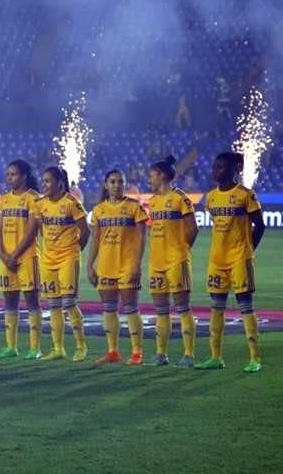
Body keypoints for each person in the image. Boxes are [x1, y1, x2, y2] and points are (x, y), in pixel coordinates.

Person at [195, 152, 265, 373]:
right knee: (216, 308)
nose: (216, 171)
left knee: (245, 307)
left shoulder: (245, 195)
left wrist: (247, 250)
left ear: (234, 169)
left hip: (239, 259)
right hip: (217, 259)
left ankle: (255, 358)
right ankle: (216, 357)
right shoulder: (211, 197)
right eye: (215, 166)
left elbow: (260, 225)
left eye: (221, 167)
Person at [87, 169, 149, 365]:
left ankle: (137, 352)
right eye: (112, 182)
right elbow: (95, 239)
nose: (116, 185)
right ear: (106, 185)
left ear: (125, 184)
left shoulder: (134, 207)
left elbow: (142, 238)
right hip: (106, 264)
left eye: (120, 182)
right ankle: (112, 351)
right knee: (109, 309)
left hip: (127, 265)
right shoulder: (98, 210)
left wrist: (137, 265)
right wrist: (90, 265)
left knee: (130, 307)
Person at [146, 155, 198, 367]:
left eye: (151, 175)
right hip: (156, 263)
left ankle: (189, 355)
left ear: (162, 175)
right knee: (161, 310)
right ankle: (161, 354)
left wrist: (181, 250)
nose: (149, 180)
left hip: (176, 261)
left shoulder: (180, 198)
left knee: (182, 308)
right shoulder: (153, 201)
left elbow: (192, 228)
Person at [34, 166, 90, 361]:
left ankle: (81, 346)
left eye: (48, 180)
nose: (44, 184)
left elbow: (85, 231)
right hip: (48, 259)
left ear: (59, 182)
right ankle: (58, 349)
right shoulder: (40, 204)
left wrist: (74, 252)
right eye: (43, 180)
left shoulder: (71, 203)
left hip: (68, 257)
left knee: (69, 302)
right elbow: (42, 230)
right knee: (53, 305)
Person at [0, 159, 43, 359]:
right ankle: (11, 347)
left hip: (27, 257)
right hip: (7, 259)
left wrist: (14, 255)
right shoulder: (3, 199)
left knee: (32, 302)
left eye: (13, 174)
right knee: (10, 302)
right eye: (8, 175)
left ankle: (34, 348)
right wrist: (4, 255)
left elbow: (32, 230)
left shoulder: (33, 198)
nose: (9, 178)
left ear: (23, 176)